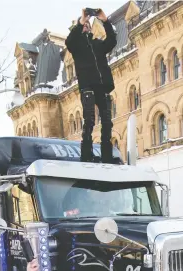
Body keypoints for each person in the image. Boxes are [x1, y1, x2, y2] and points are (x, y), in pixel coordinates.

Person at [65, 8, 117, 164]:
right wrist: (81, 21)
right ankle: (86, 154)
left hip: (102, 86)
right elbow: (69, 41)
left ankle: (106, 155)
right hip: (87, 86)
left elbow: (112, 41)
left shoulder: (97, 45)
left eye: (88, 23)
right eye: (85, 24)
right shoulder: (76, 46)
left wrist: (104, 20)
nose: (87, 25)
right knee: (89, 120)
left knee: (107, 121)